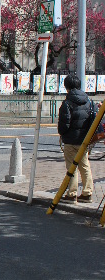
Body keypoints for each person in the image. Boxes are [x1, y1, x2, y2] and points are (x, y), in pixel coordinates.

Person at [57, 74, 94, 203]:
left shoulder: (67, 102)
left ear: (67, 87)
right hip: (84, 139)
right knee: (84, 165)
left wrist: (62, 133)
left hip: (70, 140)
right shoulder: (88, 100)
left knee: (71, 167)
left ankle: (72, 194)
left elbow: (64, 123)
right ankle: (87, 193)